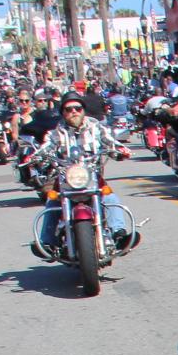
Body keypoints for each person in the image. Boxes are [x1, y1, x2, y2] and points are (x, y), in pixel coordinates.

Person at [32, 94, 137, 256]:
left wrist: (120, 150)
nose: (74, 112)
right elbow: (47, 147)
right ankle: (48, 242)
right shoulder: (57, 133)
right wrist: (35, 157)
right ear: (63, 113)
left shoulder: (96, 128)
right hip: (66, 177)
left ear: (83, 110)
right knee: (52, 203)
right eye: (69, 109)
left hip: (92, 176)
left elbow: (110, 142)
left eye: (77, 108)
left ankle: (119, 234)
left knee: (110, 198)